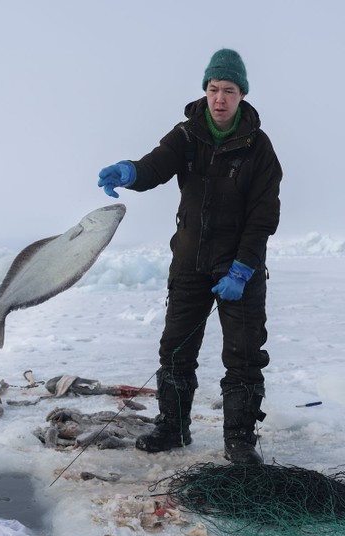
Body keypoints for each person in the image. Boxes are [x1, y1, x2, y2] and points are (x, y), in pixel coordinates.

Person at [97, 48, 282, 464]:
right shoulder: (187, 134)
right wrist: (130, 172)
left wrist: (243, 267)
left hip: (239, 265)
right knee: (176, 348)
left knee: (245, 354)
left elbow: (263, 215)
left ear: (242, 95)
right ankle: (173, 428)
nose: (220, 98)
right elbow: (156, 166)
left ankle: (239, 440)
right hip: (189, 262)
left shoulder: (259, 148)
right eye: (214, 89)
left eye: (229, 90)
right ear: (206, 90)